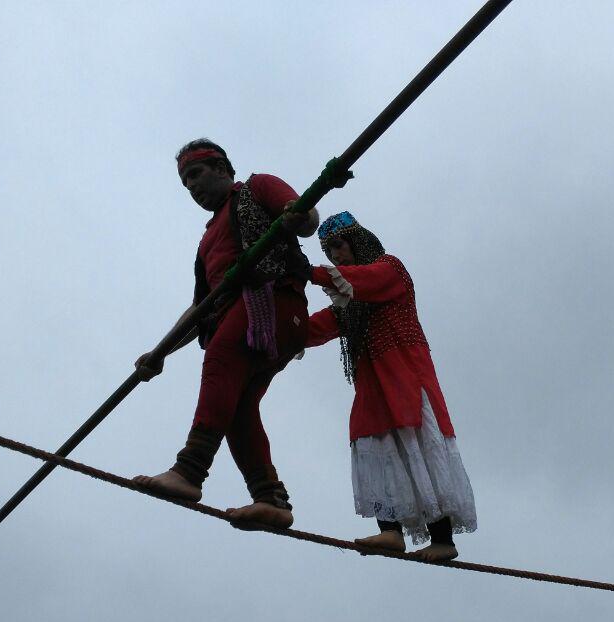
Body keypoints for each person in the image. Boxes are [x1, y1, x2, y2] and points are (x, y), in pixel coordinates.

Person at [133, 139, 318, 529]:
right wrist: (160, 351)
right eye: (185, 183)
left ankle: (189, 471)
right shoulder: (205, 243)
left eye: (196, 174)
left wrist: (296, 218)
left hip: (274, 302)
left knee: (219, 357)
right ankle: (271, 499)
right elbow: (202, 309)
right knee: (236, 409)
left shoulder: (257, 188)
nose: (192, 187)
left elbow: (307, 218)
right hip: (243, 320)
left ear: (222, 168)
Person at [304, 211, 476, 562]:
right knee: (374, 441)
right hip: (374, 385)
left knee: (421, 443)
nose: (335, 255)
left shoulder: (389, 270)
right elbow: (314, 327)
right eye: (328, 251)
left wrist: (303, 271)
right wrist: (279, 325)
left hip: (405, 375)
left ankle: (442, 538)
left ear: (359, 239)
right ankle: (391, 533)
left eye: (338, 244)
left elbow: (364, 279)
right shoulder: (351, 304)